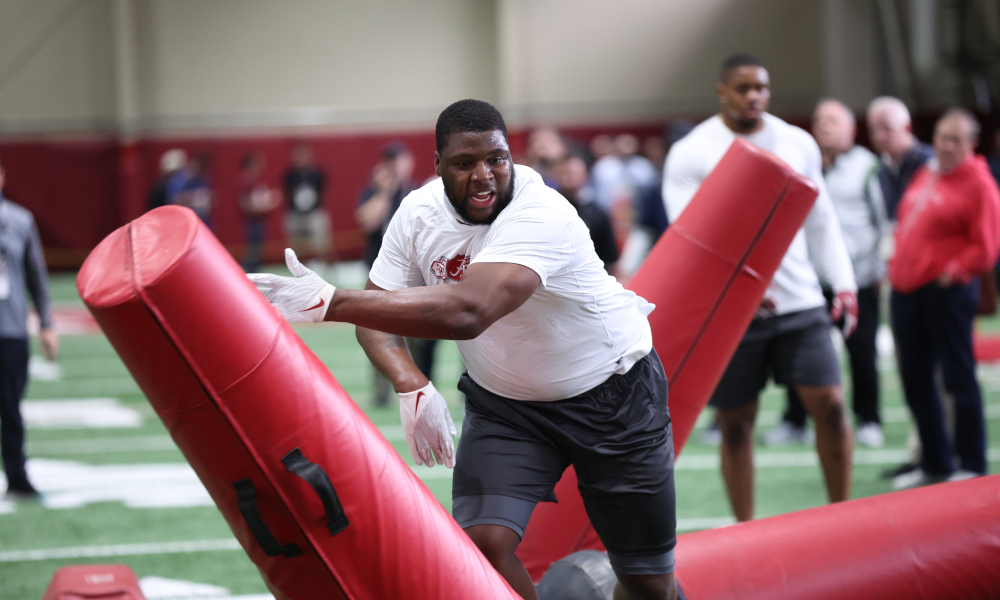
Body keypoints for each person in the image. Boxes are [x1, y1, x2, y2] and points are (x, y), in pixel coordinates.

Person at [251, 99, 679, 600]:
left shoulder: (542, 210)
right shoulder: (418, 213)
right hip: (507, 407)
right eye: (464, 163)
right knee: (480, 544)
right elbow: (376, 317)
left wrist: (332, 302)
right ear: (437, 165)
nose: (484, 176)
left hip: (613, 395)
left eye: (496, 159)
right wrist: (409, 382)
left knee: (649, 585)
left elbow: (471, 312)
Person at [663, 54, 857, 522]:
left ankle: (845, 517)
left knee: (831, 406)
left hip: (800, 301)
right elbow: (691, 235)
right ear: (722, 91)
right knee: (735, 426)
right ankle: (744, 529)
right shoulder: (693, 151)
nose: (754, 97)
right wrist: (738, 287)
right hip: (734, 311)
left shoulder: (797, 142)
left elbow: (822, 219)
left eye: (762, 88)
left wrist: (844, 284)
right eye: (743, 88)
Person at [889, 108, 1000, 490]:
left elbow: (986, 247)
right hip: (906, 292)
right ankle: (935, 460)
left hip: (945, 293)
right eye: (942, 137)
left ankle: (970, 462)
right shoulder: (928, 172)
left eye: (956, 139)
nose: (947, 146)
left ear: (971, 143)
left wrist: (952, 270)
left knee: (957, 376)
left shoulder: (979, 184)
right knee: (915, 378)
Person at [767, 99, 888, 448]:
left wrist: (878, 269)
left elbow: (884, 224)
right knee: (799, 354)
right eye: (819, 120)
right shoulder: (800, 162)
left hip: (857, 277)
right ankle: (794, 420)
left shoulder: (868, 167)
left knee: (861, 351)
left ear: (852, 129)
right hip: (808, 279)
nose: (824, 126)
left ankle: (868, 418)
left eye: (833, 120)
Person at [0, 158, 58, 500]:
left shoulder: (20, 220)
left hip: (10, 330)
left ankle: (17, 477)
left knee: (10, 407)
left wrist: (47, 324)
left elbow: (36, 275)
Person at [356, 143, 419, 406]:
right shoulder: (373, 192)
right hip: (378, 274)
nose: (394, 167)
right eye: (389, 162)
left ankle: (417, 387)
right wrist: (384, 192)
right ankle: (382, 394)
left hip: (413, 276)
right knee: (378, 332)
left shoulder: (417, 193)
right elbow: (366, 220)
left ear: (409, 162)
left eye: (398, 160)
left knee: (417, 336)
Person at [867, 97, 934, 221]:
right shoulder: (877, 167)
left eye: (887, 128)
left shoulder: (931, 163)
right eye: (873, 129)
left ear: (907, 127)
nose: (878, 137)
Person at [555, 154, 619, 273]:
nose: (570, 177)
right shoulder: (548, 207)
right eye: (565, 172)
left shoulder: (598, 213)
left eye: (574, 173)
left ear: (586, 175)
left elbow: (610, 258)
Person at [283, 143, 331, 267]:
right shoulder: (290, 175)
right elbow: (287, 193)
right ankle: (299, 268)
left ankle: (328, 267)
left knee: (322, 243)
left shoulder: (316, 173)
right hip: (296, 214)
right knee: (297, 246)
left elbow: (322, 190)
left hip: (314, 213)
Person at [238, 151, 280, 272]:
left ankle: (254, 272)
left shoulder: (255, 182)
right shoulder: (246, 182)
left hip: (259, 221)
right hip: (252, 222)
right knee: (253, 251)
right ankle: (250, 274)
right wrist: (269, 204)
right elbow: (248, 206)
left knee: (258, 250)